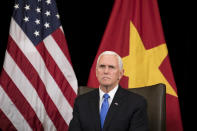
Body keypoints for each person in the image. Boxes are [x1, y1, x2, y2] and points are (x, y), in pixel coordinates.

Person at [68, 51, 148, 131]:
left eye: (111, 67)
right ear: (96, 72)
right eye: (102, 66)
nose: (106, 71)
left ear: (120, 73)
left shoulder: (137, 103)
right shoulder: (81, 102)